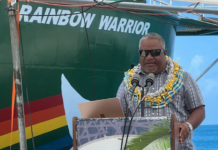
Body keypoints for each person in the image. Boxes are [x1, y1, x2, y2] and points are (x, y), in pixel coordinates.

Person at [116, 33, 205, 150]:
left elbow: (199, 110)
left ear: (164, 53)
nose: (148, 57)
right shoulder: (129, 82)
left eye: (155, 52)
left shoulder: (183, 78)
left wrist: (187, 126)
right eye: (144, 53)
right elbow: (118, 115)